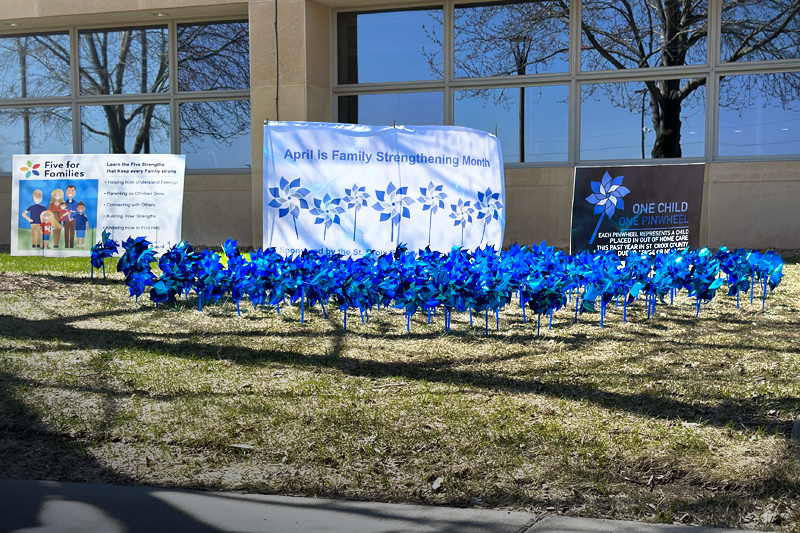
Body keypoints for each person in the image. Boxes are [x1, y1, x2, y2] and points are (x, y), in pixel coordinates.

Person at [64, 184, 78, 249]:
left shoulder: (76, 204)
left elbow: (77, 212)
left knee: (72, 232)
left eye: (72, 190)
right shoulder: (64, 203)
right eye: (68, 190)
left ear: (75, 192)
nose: (70, 192)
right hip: (66, 220)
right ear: (66, 192)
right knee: (66, 232)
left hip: (73, 221)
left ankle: (71, 245)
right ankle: (66, 245)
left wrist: (73, 218)